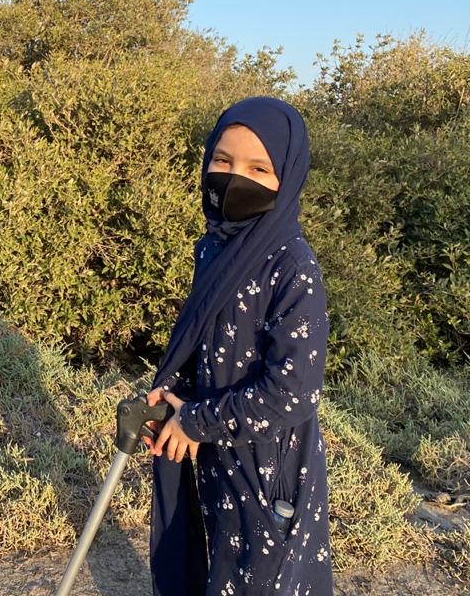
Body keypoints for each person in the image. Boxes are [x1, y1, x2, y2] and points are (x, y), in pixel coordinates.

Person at [145, 97, 333, 596]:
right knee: (220, 570)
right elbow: (203, 339)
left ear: (286, 177)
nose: (233, 178)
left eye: (258, 169)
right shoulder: (214, 247)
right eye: (222, 161)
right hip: (216, 454)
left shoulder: (292, 267)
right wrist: (175, 399)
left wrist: (196, 421)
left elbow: (292, 393)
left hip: (269, 467)